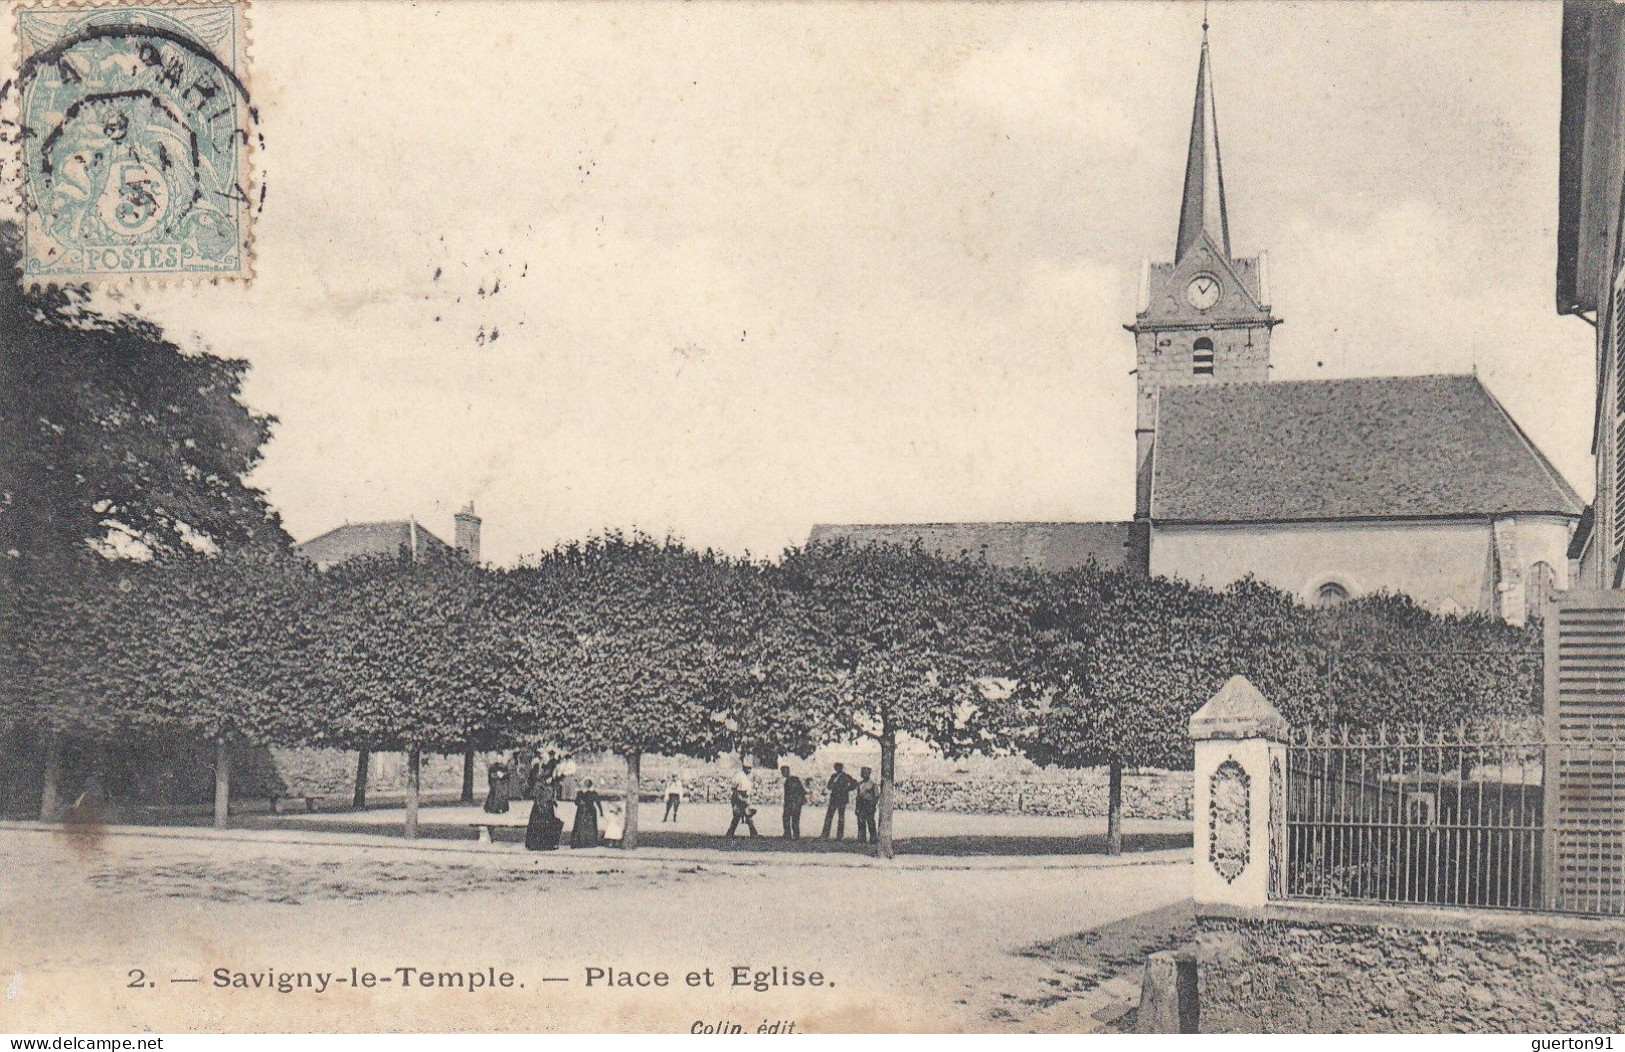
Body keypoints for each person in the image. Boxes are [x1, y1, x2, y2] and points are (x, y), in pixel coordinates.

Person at [822, 762, 857, 839]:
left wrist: (846, 789)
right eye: (836, 768)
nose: (837, 769)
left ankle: (839, 836)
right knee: (829, 816)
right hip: (834, 799)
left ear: (841, 768)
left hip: (842, 799)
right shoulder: (833, 776)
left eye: (838, 768)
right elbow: (829, 786)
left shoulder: (846, 777)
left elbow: (854, 784)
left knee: (841, 817)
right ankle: (825, 834)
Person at [726, 763, 759, 838]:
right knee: (742, 816)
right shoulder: (739, 776)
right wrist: (740, 798)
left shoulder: (747, 777)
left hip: (744, 796)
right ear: (744, 768)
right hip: (739, 796)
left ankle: (730, 833)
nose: (749, 770)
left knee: (743, 816)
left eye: (750, 768)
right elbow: (734, 787)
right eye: (748, 768)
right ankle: (753, 833)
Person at [570, 778, 604, 847]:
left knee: (590, 826)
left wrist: (601, 812)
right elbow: (576, 802)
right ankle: (579, 842)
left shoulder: (593, 793)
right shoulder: (580, 793)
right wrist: (580, 803)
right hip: (582, 811)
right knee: (580, 826)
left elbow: (598, 803)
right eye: (586, 783)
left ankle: (589, 842)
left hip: (589, 811)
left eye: (587, 784)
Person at [780, 765, 807, 840]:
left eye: (783, 771)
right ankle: (789, 834)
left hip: (793, 803)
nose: (782, 773)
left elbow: (799, 792)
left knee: (793, 819)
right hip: (790, 803)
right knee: (788, 818)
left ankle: (793, 834)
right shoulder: (789, 780)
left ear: (787, 771)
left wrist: (796, 802)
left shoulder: (793, 780)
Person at [854, 766, 879, 844]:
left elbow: (876, 796)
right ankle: (862, 840)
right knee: (861, 822)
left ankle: (873, 840)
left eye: (866, 773)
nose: (864, 775)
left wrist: (873, 805)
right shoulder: (860, 784)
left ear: (869, 774)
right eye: (863, 773)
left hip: (869, 805)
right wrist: (857, 807)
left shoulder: (873, 784)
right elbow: (858, 796)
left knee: (871, 822)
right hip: (861, 804)